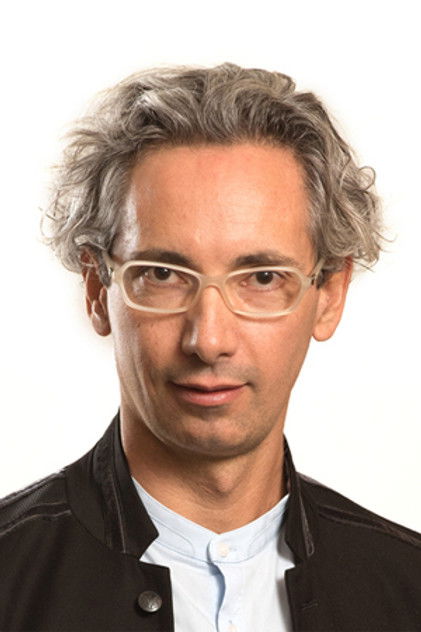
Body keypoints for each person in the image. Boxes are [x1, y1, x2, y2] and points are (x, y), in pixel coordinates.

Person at [0, 63, 420, 632]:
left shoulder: (407, 589)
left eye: (263, 278)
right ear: (97, 289)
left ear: (330, 294)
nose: (209, 340)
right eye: (163, 275)